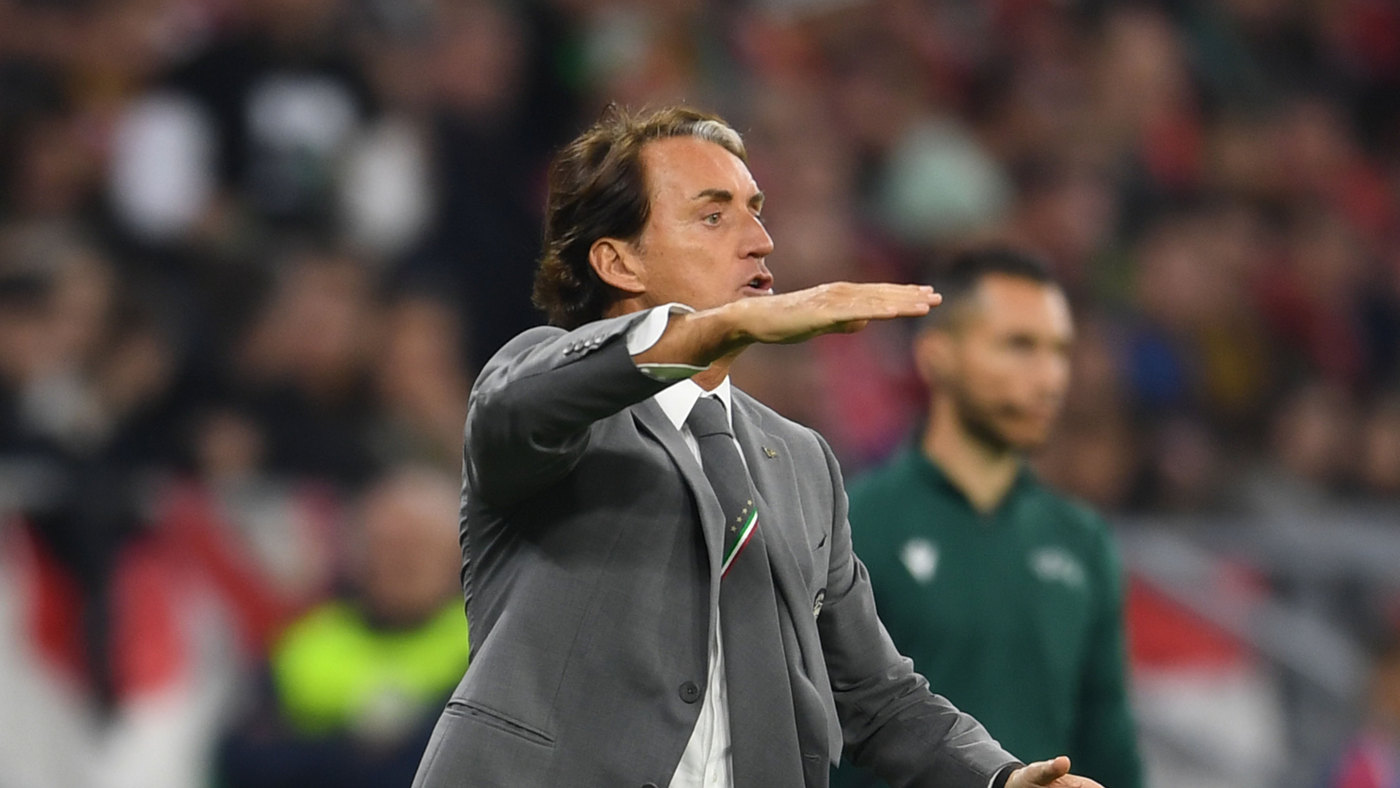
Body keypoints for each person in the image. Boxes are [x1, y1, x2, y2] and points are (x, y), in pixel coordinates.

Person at [413, 106, 1105, 788]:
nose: (761, 241)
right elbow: (518, 410)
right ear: (619, 262)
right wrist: (708, 329)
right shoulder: (548, 395)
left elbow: (876, 696)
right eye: (714, 216)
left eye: (756, 211)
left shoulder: (802, 462)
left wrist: (1000, 778)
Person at [832, 249, 1143, 788]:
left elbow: (1107, 742)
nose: (1049, 377)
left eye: (1059, 351)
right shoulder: (853, 525)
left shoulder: (1081, 541)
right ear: (937, 356)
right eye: (1019, 345)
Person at [220, 465, 468, 788]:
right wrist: (362, 753)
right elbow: (244, 758)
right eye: (387, 544)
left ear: (457, 555)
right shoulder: (305, 642)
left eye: (419, 546)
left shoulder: (482, 644)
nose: (401, 561)